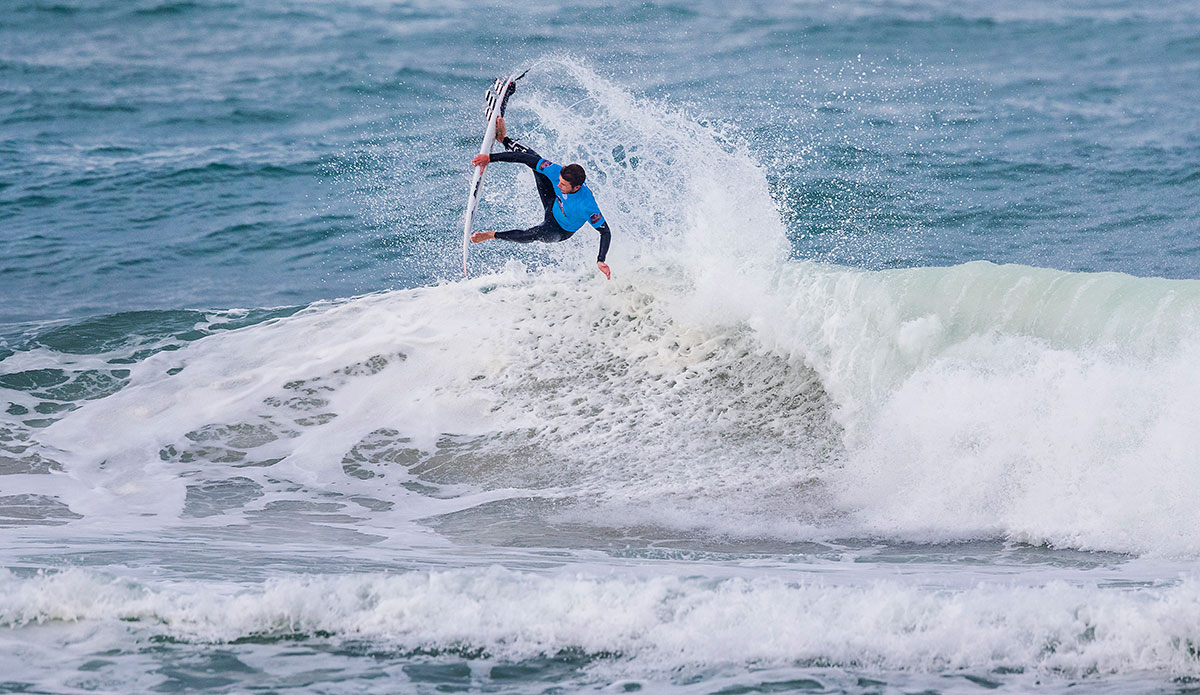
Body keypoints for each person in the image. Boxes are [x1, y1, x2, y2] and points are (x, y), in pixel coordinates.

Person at [470, 117, 612, 279]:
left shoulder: (587, 206)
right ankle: (504, 139)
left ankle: (489, 235)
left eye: (564, 185)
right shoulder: (557, 173)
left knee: (534, 233)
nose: (559, 186)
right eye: (560, 181)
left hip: (559, 229)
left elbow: (605, 232)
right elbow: (526, 159)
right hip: (553, 204)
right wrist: (490, 158)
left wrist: (601, 260)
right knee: (534, 160)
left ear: (576, 187)